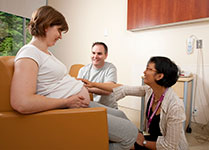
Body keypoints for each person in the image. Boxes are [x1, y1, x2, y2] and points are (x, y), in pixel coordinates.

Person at [10, 6, 138, 150]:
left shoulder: (44, 52)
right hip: (69, 109)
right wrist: (67, 101)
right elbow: (21, 102)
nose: (60, 36)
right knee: (131, 134)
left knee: (121, 114)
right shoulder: (29, 53)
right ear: (46, 26)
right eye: (59, 30)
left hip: (78, 103)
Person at [80, 56, 188, 150]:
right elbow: (122, 88)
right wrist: (93, 84)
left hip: (164, 147)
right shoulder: (150, 91)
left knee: (123, 144)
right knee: (120, 115)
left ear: (160, 76)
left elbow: (169, 146)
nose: (144, 72)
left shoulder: (175, 107)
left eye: (149, 69)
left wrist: (143, 142)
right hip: (151, 138)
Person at [77, 42, 118, 108]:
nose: (95, 56)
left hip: (109, 108)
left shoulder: (110, 68)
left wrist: (87, 89)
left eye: (99, 54)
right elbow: (78, 89)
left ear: (106, 55)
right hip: (90, 107)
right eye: (93, 53)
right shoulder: (83, 70)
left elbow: (108, 90)